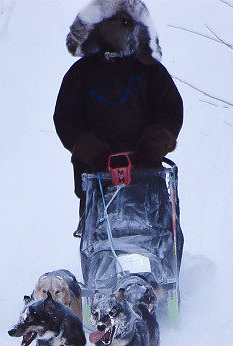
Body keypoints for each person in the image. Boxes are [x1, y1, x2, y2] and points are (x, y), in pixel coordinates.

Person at [54, 0, 183, 207]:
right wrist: (91, 151)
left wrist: (155, 143)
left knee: (155, 236)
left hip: (146, 175)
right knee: (100, 236)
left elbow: (171, 111)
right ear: (99, 26)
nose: (122, 28)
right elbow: (66, 118)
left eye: (126, 21)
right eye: (114, 21)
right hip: (96, 179)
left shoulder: (151, 71)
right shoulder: (81, 73)